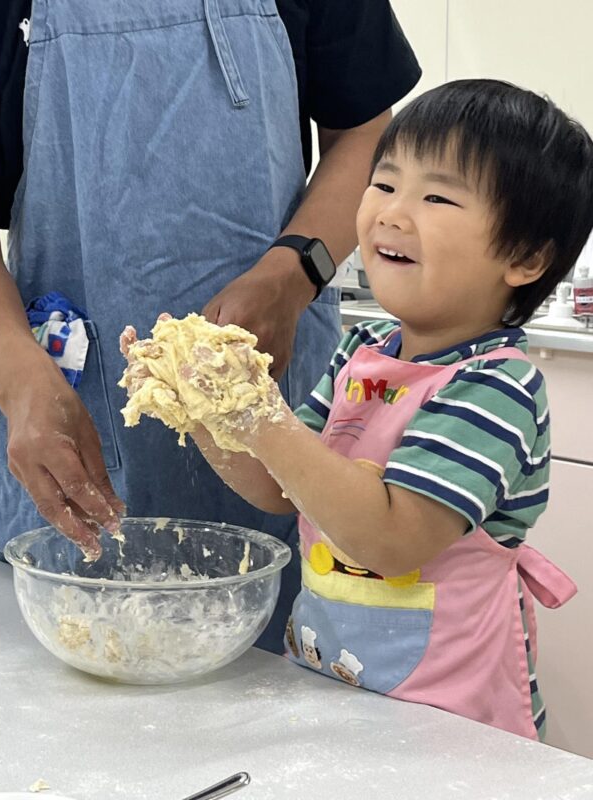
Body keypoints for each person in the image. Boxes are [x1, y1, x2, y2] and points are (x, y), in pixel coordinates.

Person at [0, 0, 420, 650]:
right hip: (82, 409)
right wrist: (22, 385)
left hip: (283, 410)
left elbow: (366, 128)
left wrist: (293, 272)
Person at [120, 79, 593, 738]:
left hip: (452, 732)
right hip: (332, 690)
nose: (392, 213)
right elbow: (281, 489)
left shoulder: (495, 389)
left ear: (525, 256)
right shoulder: (363, 352)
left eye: (435, 196)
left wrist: (260, 415)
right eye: (386, 182)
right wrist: (200, 406)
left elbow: (390, 541)